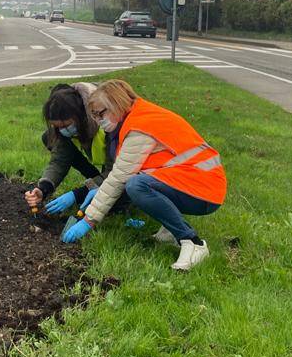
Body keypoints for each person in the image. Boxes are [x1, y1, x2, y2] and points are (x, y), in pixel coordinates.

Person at [60, 79, 226, 271]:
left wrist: (88, 220)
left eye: (100, 114)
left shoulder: (139, 127)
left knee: (136, 186)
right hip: (200, 182)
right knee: (137, 182)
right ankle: (170, 230)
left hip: (205, 190)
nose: (98, 120)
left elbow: (119, 177)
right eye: (94, 116)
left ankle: (192, 241)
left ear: (116, 103)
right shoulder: (138, 115)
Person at [24, 82, 114, 215]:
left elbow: (117, 173)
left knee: (117, 201)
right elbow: (59, 160)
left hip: (134, 171)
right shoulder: (67, 126)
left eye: (67, 125)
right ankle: (96, 178)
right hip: (114, 168)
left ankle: (100, 183)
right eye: (58, 127)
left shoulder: (107, 121)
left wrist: (78, 194)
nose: (63, 130)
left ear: (81, 116)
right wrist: (43, 189)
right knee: (49, 137)